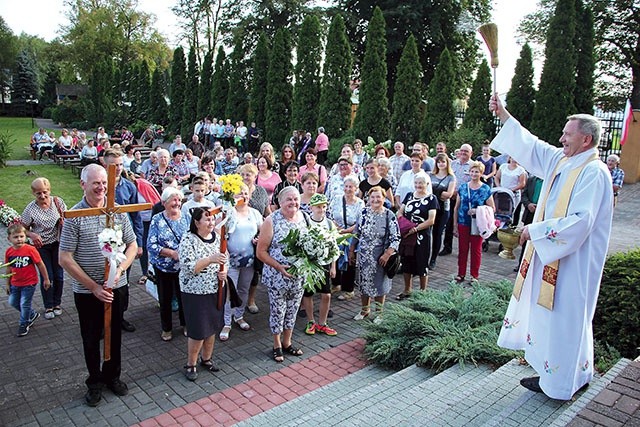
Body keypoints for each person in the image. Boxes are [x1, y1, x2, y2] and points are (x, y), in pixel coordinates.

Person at [489, 94, 614, 400]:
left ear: (586, 139)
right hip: (554, 256)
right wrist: (504, 114)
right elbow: (532, 146)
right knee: (557, 318)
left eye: (567, 134)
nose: (561, 139)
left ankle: (560, 385)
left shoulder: (594, 173)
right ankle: (563, 375)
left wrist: (537, 230)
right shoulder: (564, 160)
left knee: (567, 318)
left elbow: (581, 221)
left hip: (574, 261)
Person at [59, 164, 138, 407]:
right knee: (91, 338)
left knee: (114, 334)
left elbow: (132, 245)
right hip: (88, 291)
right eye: (96, 183)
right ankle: (94, 382)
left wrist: (120, 270)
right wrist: (93, 286)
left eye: (104, 183)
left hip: (117, 286)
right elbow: (64, 258)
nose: (101, 187)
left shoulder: (117, 212)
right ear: (83, 184)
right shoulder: (74, 217)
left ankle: (112, 376)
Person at [256, 186, 307, 362]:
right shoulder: (271, 220)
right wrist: (278, 266)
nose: (293, 203)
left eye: (296, 199)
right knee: (278, 311)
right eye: (289, 200)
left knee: (292, 310)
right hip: (277, 277)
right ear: (279, 201)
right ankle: (276, 344)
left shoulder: (304, 217)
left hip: (298, 277)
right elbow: (260, 252)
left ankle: (287, 342)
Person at [178, 207, 228, 381]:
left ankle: (206, 358)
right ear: (196, 222)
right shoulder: (188, 240)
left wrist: (224, 272)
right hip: (195, 292)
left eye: (212, 219)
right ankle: (191, 363)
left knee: (212, 327)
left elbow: (225, 257)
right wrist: (209, 260)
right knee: (199, 330)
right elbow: (188, 268)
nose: (211, 222)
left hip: (215, 289)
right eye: (207, 219)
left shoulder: (217, 238)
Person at [103, 149, 144, 333]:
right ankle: (103, 320)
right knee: (103, 279)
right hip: (103, 240)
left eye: (120, 164)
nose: (118, 168)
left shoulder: (129, 187)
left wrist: (138, 243)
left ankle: (120, 316)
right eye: (114, 165)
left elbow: (136, 216)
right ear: (105, 165)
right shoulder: (100, 185)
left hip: (124, 241)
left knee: (121, 281)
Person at [349, 186, 400, 323]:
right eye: (373, 197)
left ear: (384, 198)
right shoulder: (363, 213)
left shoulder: (389, 215)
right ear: (368, 199)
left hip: (380, 257)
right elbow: (356, 232)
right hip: (364, 256)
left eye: (379, 197)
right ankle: (365, 310)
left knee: (379, 284)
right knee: (363, 284)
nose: (375, 199)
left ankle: (380, 313)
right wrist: (351, 250)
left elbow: (396, 238)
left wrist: (387, 254)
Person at [220, 186, 263, 341]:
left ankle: (239, 316)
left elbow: (262, 230)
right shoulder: (229, 213)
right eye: (240, 193)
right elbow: (220, 232)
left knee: (243, 289)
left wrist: (258, 238)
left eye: (246, 193)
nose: (243, 196)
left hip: (249, 259)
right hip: (231, 259)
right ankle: (226, 322)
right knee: (230, 291)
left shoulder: (255, 213)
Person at [147, 187, 189, 342]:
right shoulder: (157, 219)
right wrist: (171, 253)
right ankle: (166, 328)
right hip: (163, 268)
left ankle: (186, 324)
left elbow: (192, 238)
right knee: (165, 299)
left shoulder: (186, 217)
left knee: (184, 297)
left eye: (179, 199)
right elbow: (151, 245)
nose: (177, 203)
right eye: (173, 199)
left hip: (183, 268)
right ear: (164, 202)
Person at [21, 178, 66, 320]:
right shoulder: (31, 209)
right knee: (48, 276)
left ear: (49, 191)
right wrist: (32, 234)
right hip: (42, 247)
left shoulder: (58, 202)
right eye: (38, 193)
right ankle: (48, 305)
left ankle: (57, 303)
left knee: (59, 275)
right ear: (34, 193)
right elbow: (22, 228)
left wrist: (63, 222)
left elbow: (68, 218)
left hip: (58, 243)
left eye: (45, 192)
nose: (42, 196)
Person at [395, 173, 438, 300]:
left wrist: (416, 228)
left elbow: (431, 220)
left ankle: (422, 292)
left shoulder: (431, 199)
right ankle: (407, 289)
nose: (418, 185)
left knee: (421, 262)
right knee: (407, 261)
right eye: (416, 183)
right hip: (407, 235)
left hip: (422, 236)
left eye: (421, 183)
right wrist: (403, 224)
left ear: (427, 184)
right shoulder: (409, 196)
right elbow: (400, 212)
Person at [300, 194, 338, 337]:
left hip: (325, 264)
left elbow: (334, 246)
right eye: (318, 207)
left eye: (323, 207)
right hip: (310, 264)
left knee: (326, 295)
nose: (321, 210)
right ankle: (311, 321)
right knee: (308, 293)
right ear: (311, 207)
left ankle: (322, 323)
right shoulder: (306, 223)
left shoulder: (329, 224)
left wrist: (333, 266)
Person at [453, 161, 495, 284]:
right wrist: (455, 224)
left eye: (477, 171)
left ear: (481, 173)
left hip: (478, 224)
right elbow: (457, 207)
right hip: (463, 222)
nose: (474, 173)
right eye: (472, 171)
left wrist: (477, 210)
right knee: (462, 249)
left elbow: (492, 208)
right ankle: (461, 274)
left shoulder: (485, 189)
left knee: (476, 250)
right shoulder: (463, 187)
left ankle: (474, 276)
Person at [5, 223, 50, 337]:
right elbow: (9, 268)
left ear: (25, 237)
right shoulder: (9, 252)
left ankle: (24, 323)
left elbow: (40, 264)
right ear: (9, 238)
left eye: (21, 236)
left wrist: (46, 279)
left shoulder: (30, 250)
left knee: (25, 303)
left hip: (29, 282)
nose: (19, 239)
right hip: (15, 282)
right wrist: (7, 284)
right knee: (13, 302)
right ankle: (32, 314)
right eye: (15, 237)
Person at [328, 174, 364, 301]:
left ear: (356, 188)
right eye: (346, 186)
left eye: (351, 187)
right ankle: (336, 284)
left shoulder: (360, 203)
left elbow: (359, 222)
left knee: (349, 260)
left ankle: (349, 290)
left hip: (351, 235)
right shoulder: (337, 199)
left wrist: (345, 231)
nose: (348, 189)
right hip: (336, 233)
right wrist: (336, 228)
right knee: (334, 258)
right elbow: (330, 214)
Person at [441, 144, 473, 256]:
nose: (463, 153)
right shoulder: (452, 164)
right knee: (449, 223)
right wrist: (451, 192)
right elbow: (447, 178)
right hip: (451, 197)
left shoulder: (473, 166)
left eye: (466, 151)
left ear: (471, 153)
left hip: (465, 199)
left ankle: (463, 249)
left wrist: (458, 192)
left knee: (464, 224)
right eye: (462, 151)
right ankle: (447, 247)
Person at [429, 154, 456, 270]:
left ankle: (433, 258)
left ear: (447, 163)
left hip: (443, 209)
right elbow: (426, 191)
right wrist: (440, 192)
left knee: (437, 233)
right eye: (439, 162)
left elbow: (449, 194)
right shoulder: (431, 175)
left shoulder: (451, 177)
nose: (441, 164)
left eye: (443, 162)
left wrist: (435, 191)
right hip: (430, 208)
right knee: (426, 234)